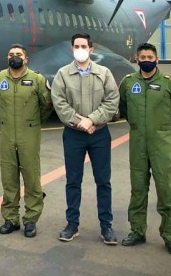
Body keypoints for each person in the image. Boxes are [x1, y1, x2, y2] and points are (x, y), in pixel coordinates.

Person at [51, 33, 120, 245]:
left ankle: (106, 226)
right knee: (73, 181)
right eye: (76, 46)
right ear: (72, 49)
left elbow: (112, 101)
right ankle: (72, 224)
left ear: (91, 49)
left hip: (99, 134)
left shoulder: (104, 73)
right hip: (74, 135)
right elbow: (59, 102)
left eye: (83, 46)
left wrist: (92, 120)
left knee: (103, 181)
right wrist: (79, 122)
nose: (80, 49)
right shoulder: (63, 74)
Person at [119, 42, 171, 255]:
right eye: (143, 58)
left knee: (166, 190)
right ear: (137, 59)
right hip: (137, 144)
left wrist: (164, 129)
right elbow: (123, 108)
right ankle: (137, 231)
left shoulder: (169, 83)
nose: (146, 61)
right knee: (138, 190)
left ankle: (169, 236)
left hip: (161, 144)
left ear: (157, 59)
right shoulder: (129, 82)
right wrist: (138, 126)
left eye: (150, 58)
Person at [0, 44, 52, 238]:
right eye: (11, 54)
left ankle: (31, 219)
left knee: (32, 178)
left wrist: (33, 123)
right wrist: (7, 121)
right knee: (8, 178)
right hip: (7, 135)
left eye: (18, 54)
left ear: (26, 59)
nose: (14, 57)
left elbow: (46, 105)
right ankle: (11, 219)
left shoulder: (37, 79)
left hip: (29, 134)